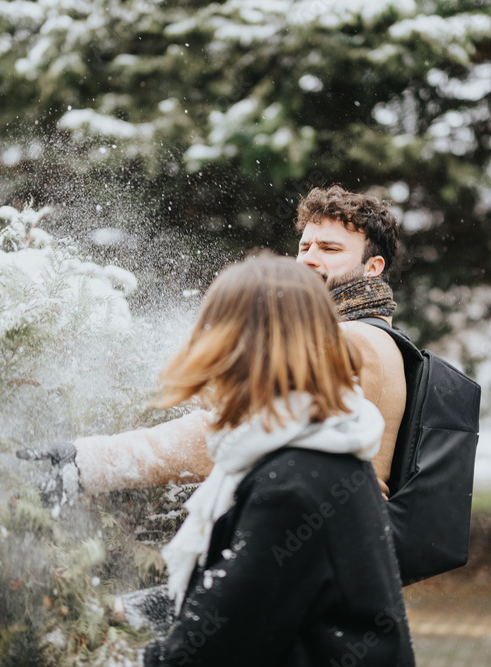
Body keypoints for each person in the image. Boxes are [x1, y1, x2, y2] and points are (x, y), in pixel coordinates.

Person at [19, 186, 406, 501]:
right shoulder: (351, 333)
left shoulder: (352, 341)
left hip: (314, 545)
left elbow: (234, 433)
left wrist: (88, 461)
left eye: (330, 249)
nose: (308, 259)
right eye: (305, 247)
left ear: (372, 268)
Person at [137, 254, 414, 666]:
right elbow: (252, 592)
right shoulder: (319, 445)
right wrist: (135, 608)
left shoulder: (295, 484)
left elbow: (216, 642)